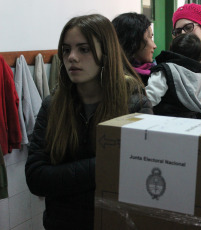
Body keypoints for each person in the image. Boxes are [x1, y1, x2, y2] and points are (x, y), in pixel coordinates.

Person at [25, 14, 152, 230]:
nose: (72, 57)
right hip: (61, 224)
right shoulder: (53, 105)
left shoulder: (134, 104)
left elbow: (139, 173)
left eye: (84, 49)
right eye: (66, 50)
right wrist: (107, 163)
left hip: (114, 223)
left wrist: (63, 176)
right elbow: (36, 178)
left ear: (106, 52)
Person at [145, 33, 201, 117]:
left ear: (171, 50)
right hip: (192, 125)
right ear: (200, 56)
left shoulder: (166, 70)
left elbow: (150, 97)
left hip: (163, 124)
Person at [112, 12, 157, 85]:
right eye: (149, 37)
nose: (154, 46)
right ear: (133, 41)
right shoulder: (117, 80)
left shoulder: (157, 72)